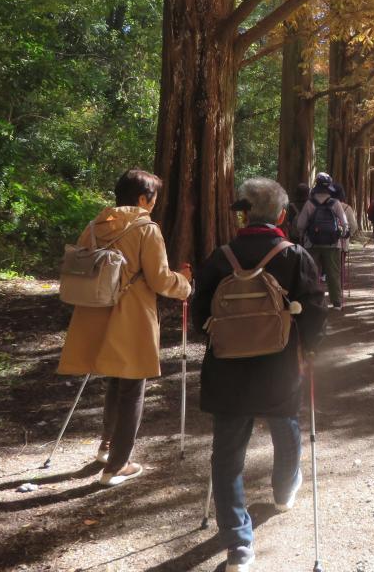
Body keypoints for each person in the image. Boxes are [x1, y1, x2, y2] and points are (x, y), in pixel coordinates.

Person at [192, 178, 327, 572]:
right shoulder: (295, 255)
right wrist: (310, 347)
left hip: (226, 369)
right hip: (279, 367)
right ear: (283, 215)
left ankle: (238, 547)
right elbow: (316, 311)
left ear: (244, 213)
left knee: (227, 455)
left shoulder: (220, 257)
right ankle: (284, 493)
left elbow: (201, 316)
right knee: (285, 427)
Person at [57, 168, 192, 486]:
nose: (155, 204)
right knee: (132, 386)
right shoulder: (147, 228)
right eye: (154, 198)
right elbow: (160, 280)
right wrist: (185, 283)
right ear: (144, 198)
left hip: (95, 314)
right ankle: (117, 465)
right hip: (130, 316)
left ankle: (107, 447)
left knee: (116, 382)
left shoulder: (93, 226)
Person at [296, 172, 349, 310]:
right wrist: (343, 234)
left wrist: (303, 234)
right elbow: (344, 223)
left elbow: (300, 225)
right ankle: (336, 302)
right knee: (333, 273)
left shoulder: (309, 203)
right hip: (332, 244)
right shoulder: (335, 203)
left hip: (312, 243)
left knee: (312, 273)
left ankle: (312, 301)